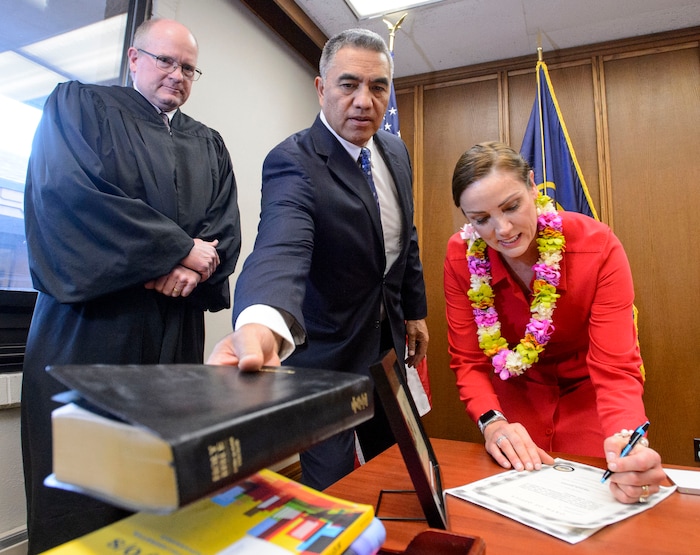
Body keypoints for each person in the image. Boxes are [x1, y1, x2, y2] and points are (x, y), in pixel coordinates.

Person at [21, 18, 241, 553]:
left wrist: (191, 264)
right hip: (91, 336)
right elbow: (68, 198)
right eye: (165, 60)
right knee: (86, 493)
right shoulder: (79, 107)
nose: (177, 74)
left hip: (176, 340)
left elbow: (223, 231)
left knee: (164, 485)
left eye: (188, 67)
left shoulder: (208, 144)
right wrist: (175, 251)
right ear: (134, 59)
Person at [207, 28, 428, 490]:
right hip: (325, 358)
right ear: (321, 87)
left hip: (386, 346)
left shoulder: (395, 151)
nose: (365, 101)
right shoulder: (293, 161)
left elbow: (403, 237)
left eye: (378, 86)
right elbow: (282, 245)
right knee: (332, 487)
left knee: (402, 475)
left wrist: (415, 312)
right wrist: (261, 321)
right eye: (349, 84)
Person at [444, 141, 665, 504]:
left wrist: (629, 442)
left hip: (590, 399)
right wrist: (492, 423)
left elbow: (615, 368)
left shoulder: (599, 246)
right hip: (515, 403)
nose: (502, 229)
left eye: (512, 206)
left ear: (533, 186)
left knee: (607, 499)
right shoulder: (460, 257)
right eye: (480, 219)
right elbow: (469, 362)